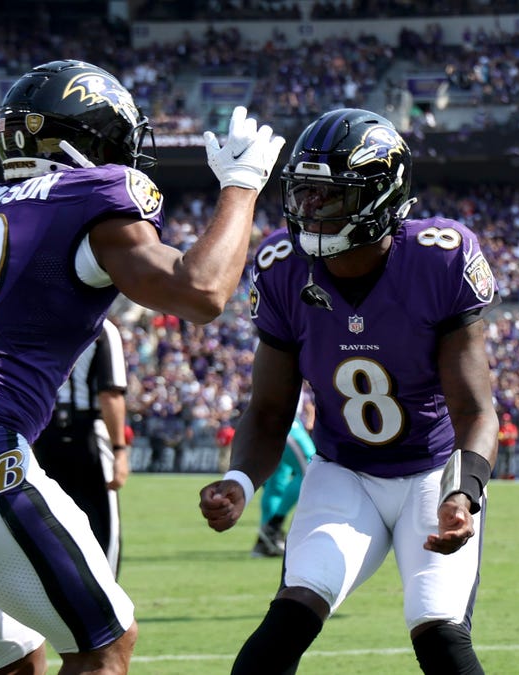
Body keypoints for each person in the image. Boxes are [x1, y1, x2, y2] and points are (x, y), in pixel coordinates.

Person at [0, 59, 284, 675]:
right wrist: (241, 187)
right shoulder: (95, 195)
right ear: (89, 140)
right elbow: (203, 293)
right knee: (105, 646)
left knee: (13, 661)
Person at [198, 108, 499, 674]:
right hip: (344, 473)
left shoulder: (440, 258)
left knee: (439, 636)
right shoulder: (284, 266)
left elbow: (476, 409)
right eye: (303, 192)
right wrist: (240, 480)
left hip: (432, 474)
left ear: (380, 200)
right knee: (282, 628)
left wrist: (464, 493)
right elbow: (268, 410)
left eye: (326, 196)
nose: (308, 209)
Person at [32, 317, 130, 577]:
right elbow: (110, 393)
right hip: (87, 434)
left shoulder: (39, 324)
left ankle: (62, 594)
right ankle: (105, 600)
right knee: (103, 527)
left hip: (44, 432)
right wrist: (120, 451)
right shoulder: (101, 328)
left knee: (53, 522)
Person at [250, 397, 316, 558]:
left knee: (277, 480)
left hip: (270, 421)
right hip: (285, 422)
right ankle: (273, 526)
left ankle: (264, 542)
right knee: (312, 470)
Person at [496, 412, 518, 479]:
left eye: (506, 420)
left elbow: (515, 435)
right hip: (502, 446)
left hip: (510, 446)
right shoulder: (501, 427)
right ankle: (501, 475)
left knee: (510, 461)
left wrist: (507, 436)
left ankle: (510, 476)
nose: (505, 422)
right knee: (501, 461)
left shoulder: (512, 427)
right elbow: (498, 436)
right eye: (503, 420)